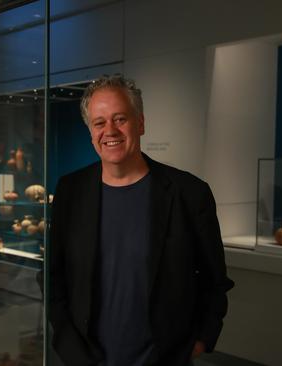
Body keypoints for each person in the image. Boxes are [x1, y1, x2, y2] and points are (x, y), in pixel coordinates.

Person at [49, 75, 234, 366]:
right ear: (90, 131)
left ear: (141, 123)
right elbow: (53, 277)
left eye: (120, 118)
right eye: (99, 122)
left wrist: (199, 341)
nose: (110, 130)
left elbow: (214, 280)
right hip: (88, 360)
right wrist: (69, 346)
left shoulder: (189, 193)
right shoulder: (70, 191)